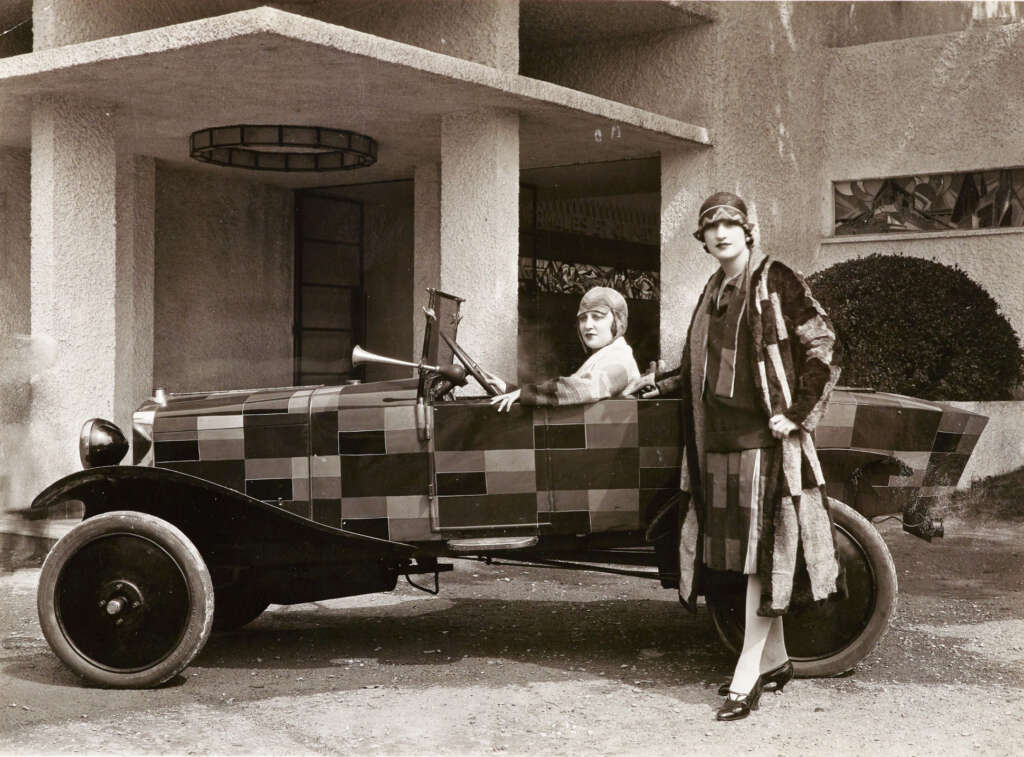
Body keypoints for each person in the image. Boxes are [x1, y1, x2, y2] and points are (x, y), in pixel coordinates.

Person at [628, 191, 843, 721]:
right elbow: (699, 365)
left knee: (759, 561)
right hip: (716, 446)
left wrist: (796, 412)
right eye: (710, 227)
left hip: (763, 445)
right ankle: (776, 662)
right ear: (701, 240)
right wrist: (656, 383)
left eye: (730, 225)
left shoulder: (775, 280)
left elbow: (826, 345)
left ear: (748, 230)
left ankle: (745, 674)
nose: (721, 234)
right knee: (739, 561)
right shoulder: (713, 289)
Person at [485, 286, 641, 411]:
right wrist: (510, 389)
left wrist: (525, 393)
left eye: (597, 317)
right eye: (582, 318)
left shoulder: (620, 359)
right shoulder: (604, 355)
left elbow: (583, 389)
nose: (587, 325)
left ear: (618, 321)